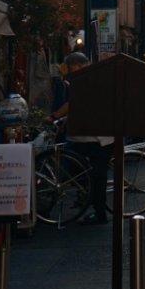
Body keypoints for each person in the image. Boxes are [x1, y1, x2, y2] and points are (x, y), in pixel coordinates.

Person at [61, 49, 112, 226]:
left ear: (77, 65)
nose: (68, 71)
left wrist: (54, 116)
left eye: (69, 67)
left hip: (96, 137)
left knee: (94, 176)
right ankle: (91, 205)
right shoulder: (93, 76)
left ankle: (99, 213)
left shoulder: (85, 79)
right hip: (95, 136)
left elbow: (73, 103)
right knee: (91, 175)